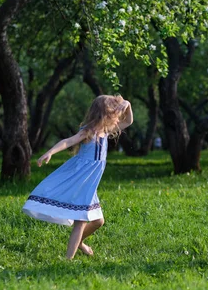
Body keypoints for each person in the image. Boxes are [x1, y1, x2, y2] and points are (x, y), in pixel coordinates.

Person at [22, 95, 133, 259]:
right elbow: (68, 141)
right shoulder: (89, 131)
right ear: (104, 114)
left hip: (90, 183)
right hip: (80, 179)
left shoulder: (106, 131)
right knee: (81, 221)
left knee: (98, 222)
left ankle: (79, 243)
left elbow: (128, 121)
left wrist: (128, 104)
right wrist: (50, 152)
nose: (117, 117)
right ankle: (68, 260)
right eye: (114, 113)